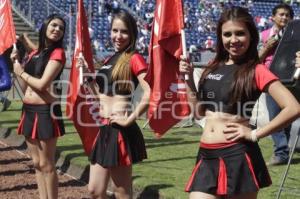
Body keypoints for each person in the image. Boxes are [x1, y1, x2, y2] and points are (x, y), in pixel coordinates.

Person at [179, 7, 300, 199]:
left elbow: (293, 107)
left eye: (240, 33)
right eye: (227, 34)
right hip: (207, 155)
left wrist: (254, 133)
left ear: (251, 35)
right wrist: (187, 80)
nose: (233, 40)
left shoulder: (256, 70)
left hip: (238, 155)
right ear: (220, 37)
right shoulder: (212, 68)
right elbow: (199, 113)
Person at [77, 9, 149, 199]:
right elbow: (99, 97)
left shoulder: (134, 58)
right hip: (105, 129)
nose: (118, 36)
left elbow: (151, 92)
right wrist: (87, 77)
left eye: (124, 31)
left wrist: (130, 119)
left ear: (132, 33)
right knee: (94, 190)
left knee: (122, 191)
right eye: (115, 30)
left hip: (120, 131)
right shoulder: (109, 60)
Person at [10, 14, 66, 199]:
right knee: (36, 163)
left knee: (47, 164)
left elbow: (42, 84)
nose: (57, 29)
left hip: (45, 111)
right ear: (45, 26)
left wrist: (21, 73)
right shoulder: (35, 54)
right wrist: (16, 63)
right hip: (28, 110)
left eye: (61, 28)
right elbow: (26, 86)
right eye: (54, 25)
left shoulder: (58, 53)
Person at [258, 3, 294, 166]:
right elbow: (256, 59)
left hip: (291, 79)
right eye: (281, 14)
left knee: (287, 117)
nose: (284, 17)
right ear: (273, 17)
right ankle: (280, 152)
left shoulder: (295, 35)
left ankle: (282, 153)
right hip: (271, 79)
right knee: (275, 116)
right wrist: (267, 47)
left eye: (287, 15)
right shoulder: (264, 35)